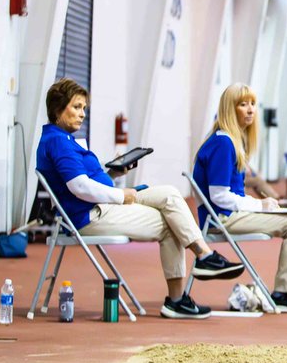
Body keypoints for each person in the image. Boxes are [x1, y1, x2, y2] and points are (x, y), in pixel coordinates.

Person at [36, 78, 244, 320]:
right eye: (76, 107)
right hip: (90, 214)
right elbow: (79, 186)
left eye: (84, 108)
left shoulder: (63, 139)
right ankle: (183, 291)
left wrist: (113, 173)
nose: (82, 114)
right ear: (58, 108)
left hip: (100, 204)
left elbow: (84, 180)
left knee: (170, 195)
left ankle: (204, 258)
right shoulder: (58, 141)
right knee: (171, 222)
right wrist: (120, 195)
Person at [193, 84, 287, 313]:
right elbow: (219, 196)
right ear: (230, 109)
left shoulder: (229, 140)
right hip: (222, 219)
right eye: (243, 104)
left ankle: (285, 292)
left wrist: (260, 205)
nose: (250, 110)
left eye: (252, 104)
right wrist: (259, 204)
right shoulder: (223, 143)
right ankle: (285, 294)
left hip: (227, 215)